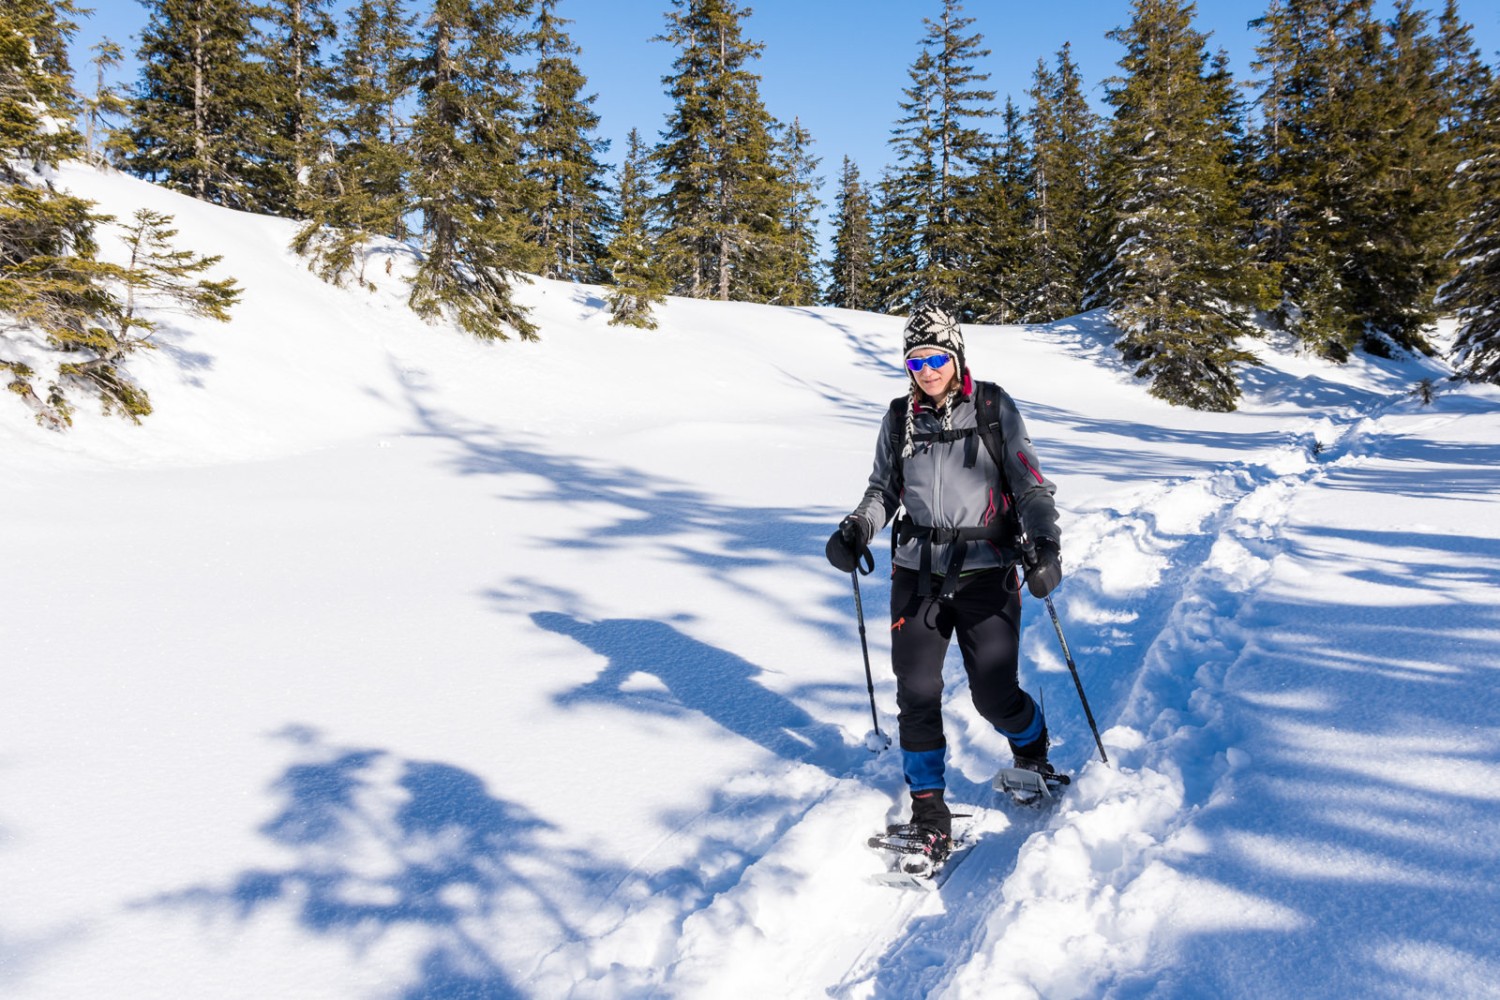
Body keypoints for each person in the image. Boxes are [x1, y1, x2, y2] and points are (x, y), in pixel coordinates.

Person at [826, 301, 1063, 858]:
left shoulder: (990, 407)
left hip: (987, 572)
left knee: (994, 695)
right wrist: (858, 527)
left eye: (935, 357)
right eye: (915, 362)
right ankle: (929, 809)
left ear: (955, 355)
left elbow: (1029, 484)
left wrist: (1045, 544)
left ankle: (1031, 749)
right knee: (917, 690)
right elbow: (883, 490)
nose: (927, 370)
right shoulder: (897, 418)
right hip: (917, 573)